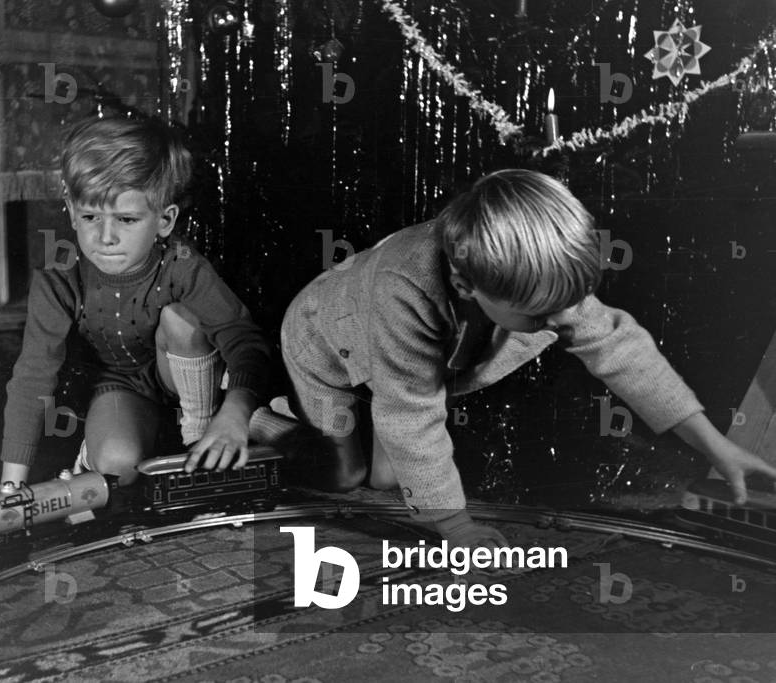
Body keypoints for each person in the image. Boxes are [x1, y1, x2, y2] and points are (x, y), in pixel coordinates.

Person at [279, 168, 776, 548]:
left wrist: (715, 446)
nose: (563, 321)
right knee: (345, 477)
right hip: (325, 343)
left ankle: (375, 415)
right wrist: (455, 527)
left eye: (570, 305)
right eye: (542, 316)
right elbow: (410, 412)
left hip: (401, 362)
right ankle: (270, 419)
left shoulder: (542, 283)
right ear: (464, 286)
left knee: (390, 480)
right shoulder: (401, 290)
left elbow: (625, 354)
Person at [0, 117, 271, 518]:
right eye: (91, 217)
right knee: (117, 466)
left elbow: (244, 340)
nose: (106, 237)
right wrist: (10, 489)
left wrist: (233, 414)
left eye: (126, 220)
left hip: (197, 386)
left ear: (165, 220)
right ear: (72, 214)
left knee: (182, 319)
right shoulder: (58, 282)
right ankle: (97, 462)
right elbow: (32, 378)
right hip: (127, 387)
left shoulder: (184, 266)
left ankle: (198, 447)